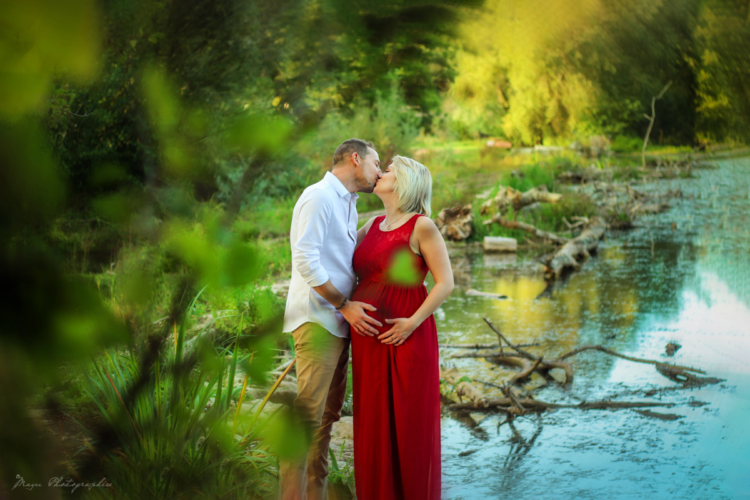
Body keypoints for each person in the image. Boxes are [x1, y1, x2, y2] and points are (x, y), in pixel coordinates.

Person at [280, 139, 383, 500]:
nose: (380, 172)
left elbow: (339, 254)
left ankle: (316, 494)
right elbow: (306, 260)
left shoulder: (348, 202)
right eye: (376, 163)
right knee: (308, 417)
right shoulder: (319, 196)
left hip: (338, 323)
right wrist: (345, 305)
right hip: (319, 320)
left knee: (326, 420)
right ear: (356, 159)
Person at [350, 155, 454, 500]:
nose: (380, 173)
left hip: (407, 335)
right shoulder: (371, 224)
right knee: (374, 424)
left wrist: (412, 323)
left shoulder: (422, 226)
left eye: (389, 170)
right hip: (368, 340)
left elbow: (445, 283)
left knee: (409, 426)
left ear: (406, 181)